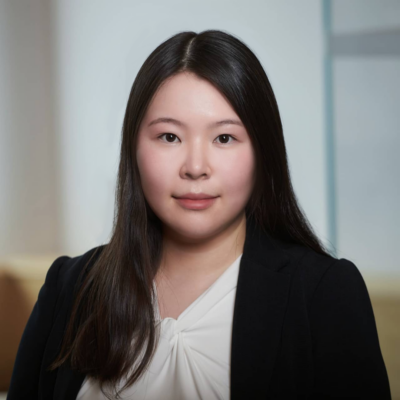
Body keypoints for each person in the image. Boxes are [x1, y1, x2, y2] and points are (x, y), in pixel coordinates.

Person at [7, 30, 391, 400]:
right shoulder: (69, 289)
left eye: (224, 138)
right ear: (133, 150)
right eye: (169, 137)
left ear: (263, 153)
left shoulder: (323, 296)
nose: (195, 167)